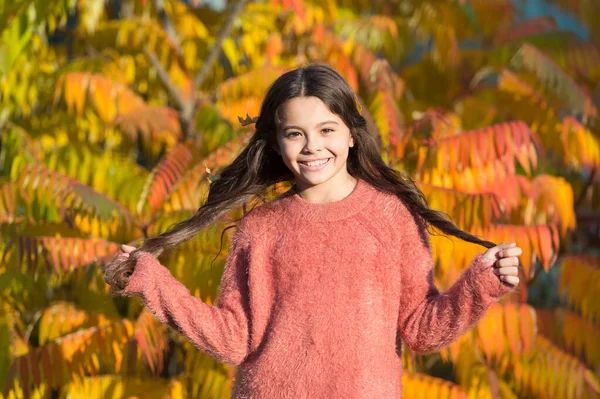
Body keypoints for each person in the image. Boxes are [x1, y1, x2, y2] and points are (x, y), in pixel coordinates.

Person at [103, 63, 522, 398]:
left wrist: (481, 283)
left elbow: (421, 330)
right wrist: (152, 281)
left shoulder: (391, 217)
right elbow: (234, 339)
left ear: (352, 136)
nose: (312, 147)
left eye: (326, 130)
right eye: (294, 134)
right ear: (277, 143)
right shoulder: (260, 229)